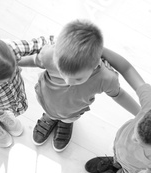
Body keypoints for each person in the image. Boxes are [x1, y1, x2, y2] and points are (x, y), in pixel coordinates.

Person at [19, 19, 140, 152]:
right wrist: (12, 62)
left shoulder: (105, 77)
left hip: (73, 109)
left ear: (94, 65)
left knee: (69, 117)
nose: (68, 82)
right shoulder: (50, 54)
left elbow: (119, 95)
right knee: (50, 110)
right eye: (62, 72)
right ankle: (51, 117)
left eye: (77, 78)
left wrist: (140, 113)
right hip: (47, 98)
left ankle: (66, 122)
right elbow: (34, 60)